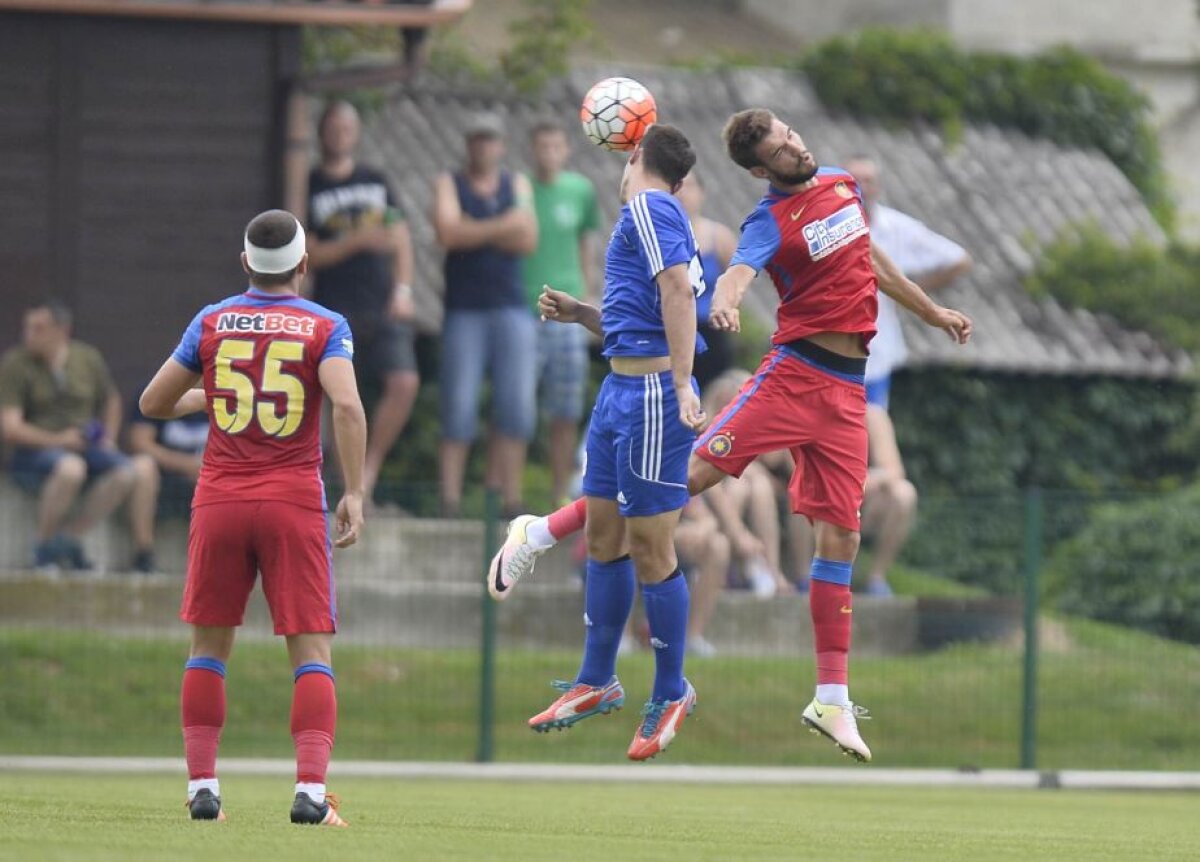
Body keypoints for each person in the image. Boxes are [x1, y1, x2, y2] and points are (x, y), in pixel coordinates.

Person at [492, 109, 973, 764]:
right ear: (758, 169)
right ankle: (546, 530)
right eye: (779, 148)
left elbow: (872, 260)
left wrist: (931, 310)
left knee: (843, 536)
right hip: (791, 377)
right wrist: (727, 298)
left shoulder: (839, 186)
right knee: (679, 482)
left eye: (793, 135)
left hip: (845, 392)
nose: (795, 146)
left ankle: (830, 697)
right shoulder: (765, 220)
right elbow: (740, 271)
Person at [139, 210, 367, 826]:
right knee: (311, 648)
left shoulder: (212, 320)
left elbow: (152, 402)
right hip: (292, 498)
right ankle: (312, 795)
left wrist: (209, 394)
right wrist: (355, 491)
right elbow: (345, 404)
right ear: (302, 264)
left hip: (220, 497)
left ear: (244, 263)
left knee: (208, 645)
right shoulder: (325, 324)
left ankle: (203, 789)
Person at [524, 124, 706, 761]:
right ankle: (596, 679)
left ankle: (670, 690)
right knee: (603, 535)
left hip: (653, 395)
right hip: (617, 390)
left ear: (633, 157)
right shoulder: (656, 211)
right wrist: (582, 314)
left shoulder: (650, 207)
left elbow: (677, 291)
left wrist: (683, 385)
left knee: (652, 547)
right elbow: (649, 310)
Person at [844, 156, 973, 596]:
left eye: (869, 179)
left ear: (879, 185)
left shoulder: (896, 229)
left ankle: (871, 572)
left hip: (874, 359)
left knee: (873, 436)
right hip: (831, 355)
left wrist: (916, 297)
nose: (862, 186)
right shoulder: (827, 226)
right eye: (854, 179)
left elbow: (958, 258)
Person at [307, 100, 419, 506]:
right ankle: (350, 489)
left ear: (355, 133)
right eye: (333, 127)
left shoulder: (376, 180)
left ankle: (367, 469)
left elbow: (400, 235)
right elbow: (308, 255)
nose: (340, 134)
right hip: (333, 307)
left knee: (404, 381)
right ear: (322, 133)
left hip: (382, 301)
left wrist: (403, 290)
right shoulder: (310, 184)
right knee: (341, 397)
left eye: (347, 127)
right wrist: (355, 242)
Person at [432, 113, 539, 518]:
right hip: (464, 308)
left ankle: (510, 500)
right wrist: (501, 226)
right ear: (468, 144)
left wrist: (471, 229)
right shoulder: (449, 181)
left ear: (501, 145)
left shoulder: (518, 183)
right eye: (477, 139)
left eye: (490, 140)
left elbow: (528, 237)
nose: (483, 147)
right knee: (458, 405)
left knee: (516, 406)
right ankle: (451, 500)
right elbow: (447, 232)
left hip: (511, 305)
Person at [0, 300, 158, 572]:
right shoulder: (16, 364)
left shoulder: (86, 358)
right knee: (71, 469)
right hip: (36, 449)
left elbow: (111, 400)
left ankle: (67, 539)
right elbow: (11, 428)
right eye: (27, 327)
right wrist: (59, 440)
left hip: (85, 444)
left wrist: (107, 436)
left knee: (128, 472)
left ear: (61, 331)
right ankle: (43, 546)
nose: (29, 334)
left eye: (38, 328)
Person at [524, 119, 602, 503]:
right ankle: (511, 494)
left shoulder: (580, 191)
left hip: (568, 309)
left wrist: (589, 293)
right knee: (519, 408)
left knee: (566, 408)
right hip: (525, 309)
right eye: (542, 146)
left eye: (556, 146)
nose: (549, 154)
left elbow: (587, 243)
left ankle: (559, 494)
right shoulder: (521, 190)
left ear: (566, 149)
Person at [676, 172, 739, 390]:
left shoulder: (719, 237)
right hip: (673, 332)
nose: (683, 193)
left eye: (689, 186)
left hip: (710, 332)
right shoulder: (659, 239)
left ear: (701, 193)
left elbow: (735, 284)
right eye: (677, 186)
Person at [127, 383, 208, 519]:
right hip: (163, 470)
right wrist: (187, 465)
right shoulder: (156, 392)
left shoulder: (228, 395)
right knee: (143, 467)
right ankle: (144, 540)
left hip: (208, 472)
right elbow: (140, 443)